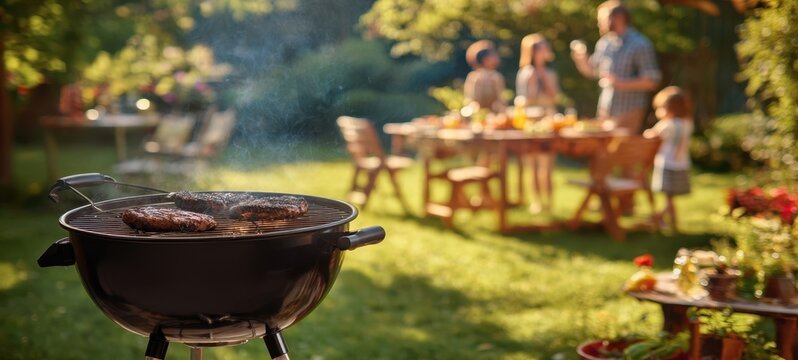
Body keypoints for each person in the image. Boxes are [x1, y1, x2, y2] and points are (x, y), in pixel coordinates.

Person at [571, 0, 661, 134]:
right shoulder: (605, 43)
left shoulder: (640, 44)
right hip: (606, 111)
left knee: (620, 153)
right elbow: (592, 72)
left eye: (602, 19)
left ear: (619, 18)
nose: (599, 23)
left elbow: (651, 82)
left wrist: (620, 83)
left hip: (630, 111)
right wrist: (581, 59)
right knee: (603, 152)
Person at [516, 34, 559, 213]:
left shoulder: (550, 73)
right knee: (531, 163)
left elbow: (554, 96)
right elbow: (525, 99)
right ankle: (536, 201)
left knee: (547, 163)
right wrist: (533, 81)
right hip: (530, 123)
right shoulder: (525, 73)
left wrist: (543, 77)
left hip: (547, 121)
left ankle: (548, 202)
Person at [643, 86, 693, 232]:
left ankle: (664, 219)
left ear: (669, 109)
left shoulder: (666, 124)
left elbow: (650, 135)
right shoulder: (687, 123)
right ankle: (667, 220)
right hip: (682, 164)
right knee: (670, 197)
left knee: (668, 197)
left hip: (667, 163)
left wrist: (647, 132)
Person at [464, 40, 506, 113]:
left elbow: (500, 98)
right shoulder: (474, 77)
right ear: (484, 59)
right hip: (478, 112)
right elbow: (471, 99)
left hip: (494, 111)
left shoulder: (496, 76)